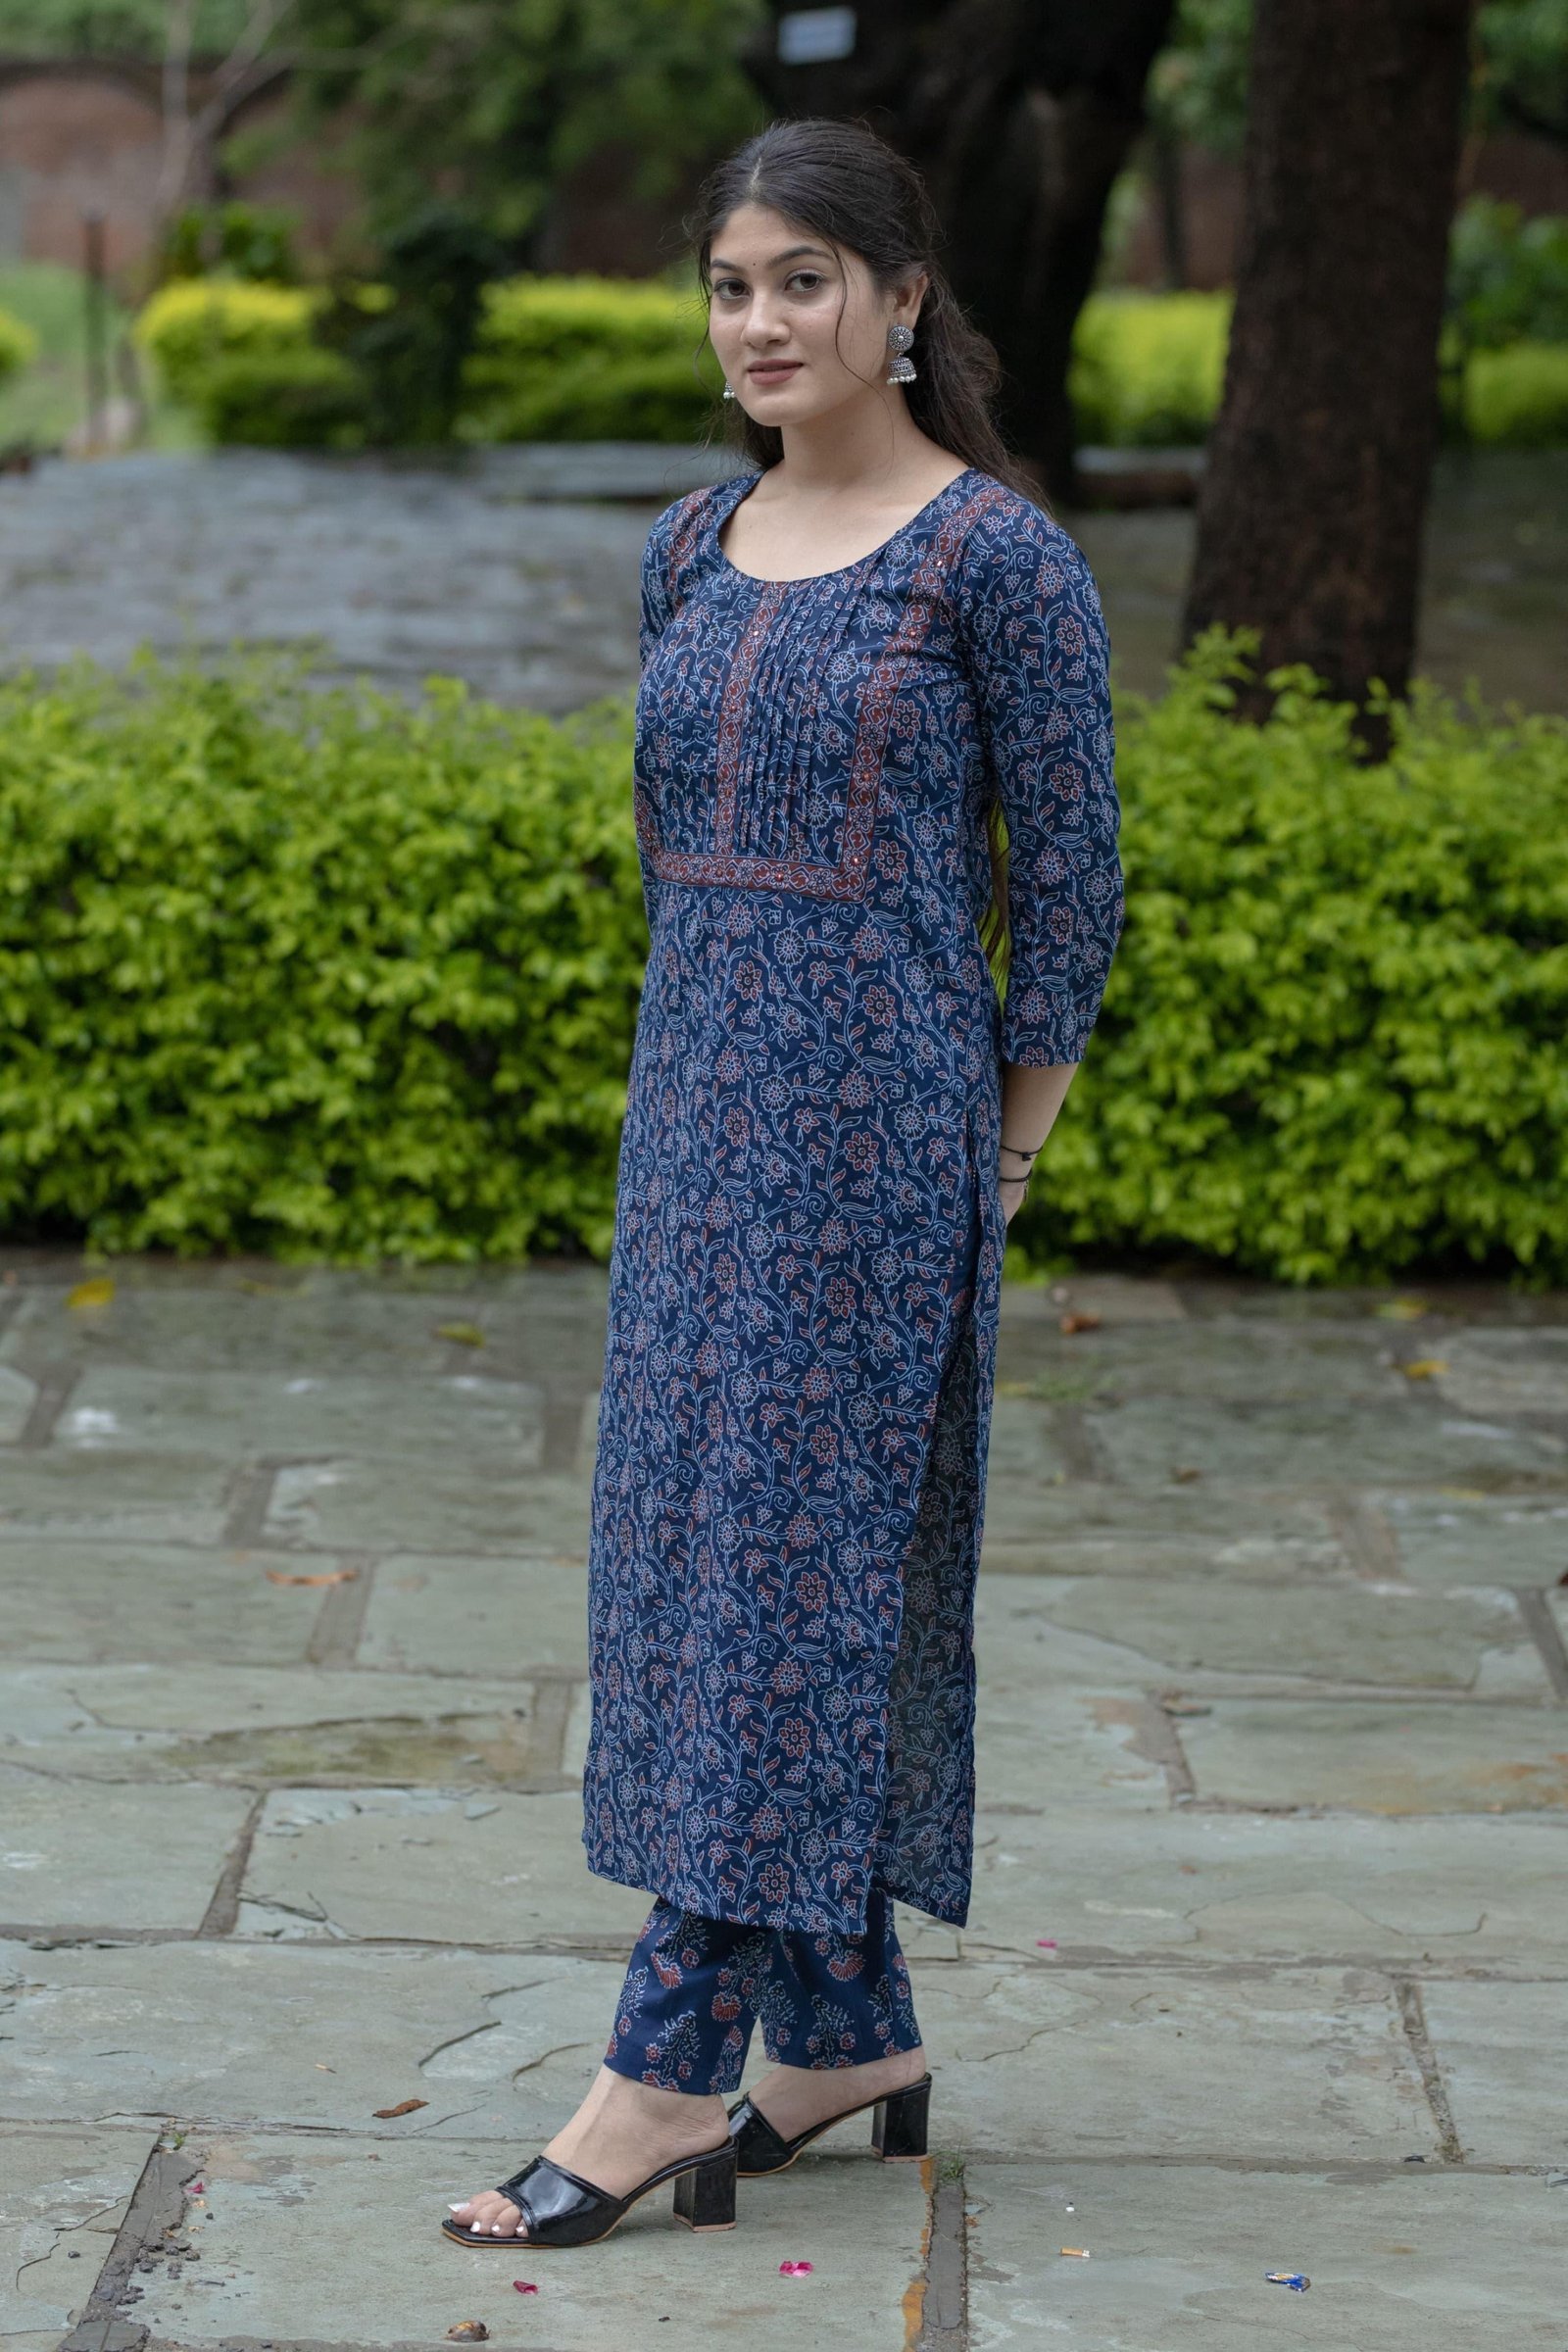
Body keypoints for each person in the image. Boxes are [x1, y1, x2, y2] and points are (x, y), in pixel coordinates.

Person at [443, 114, 1123, 2254]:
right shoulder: (686, 544)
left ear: (901, 299)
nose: (759, 322)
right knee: (692, 1570)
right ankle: (844, 2038)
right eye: (730, 285)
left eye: (801, 281)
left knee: (779, 1599)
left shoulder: (996, 562)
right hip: (694, 1139)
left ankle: (660, 2072)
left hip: (878, 1158)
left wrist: (1000, 1158)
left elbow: (1070, 896)